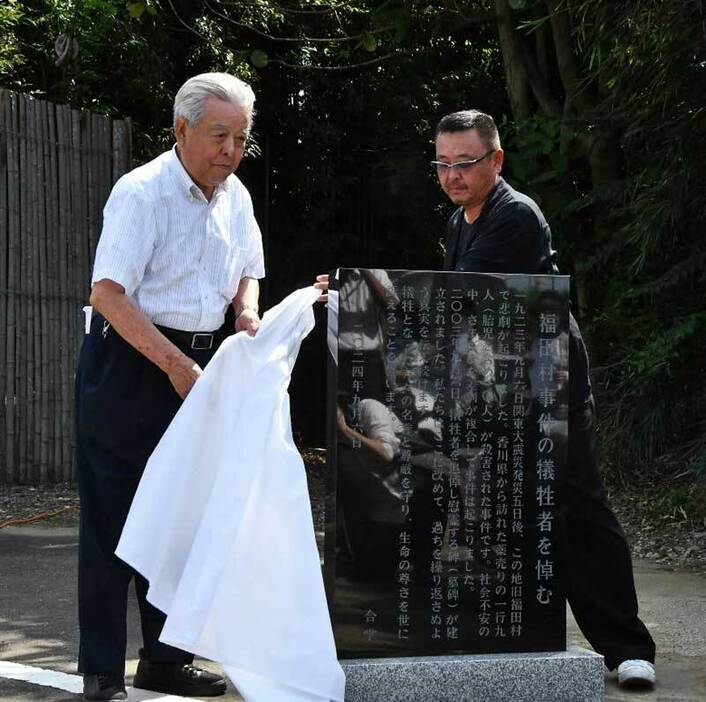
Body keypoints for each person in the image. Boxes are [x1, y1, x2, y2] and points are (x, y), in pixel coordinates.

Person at [433, 109, 656, 689]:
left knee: (578, 502)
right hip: (503, 386)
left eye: (466, 162)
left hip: (550, 379)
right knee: (509, 501)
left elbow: (460, 299)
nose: (453, 175)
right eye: (444, 163)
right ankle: (513, 634)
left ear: (496, 159)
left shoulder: (516, 216)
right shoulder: (461, 221)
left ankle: (628, 647)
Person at [75, 73, 264, 702]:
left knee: (183, 523)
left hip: (200, 367)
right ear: (181, 130)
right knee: (116, 522)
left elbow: (248, 272)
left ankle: (164, 660)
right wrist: (174, 366)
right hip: (133, 361)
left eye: (241, 138)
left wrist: (246, 312)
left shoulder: (236, 196)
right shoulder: (142, 192)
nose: (231, 151)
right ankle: (101, 670)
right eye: (219, 136)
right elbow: (108, 294)